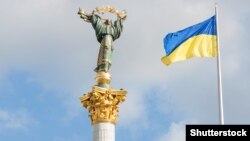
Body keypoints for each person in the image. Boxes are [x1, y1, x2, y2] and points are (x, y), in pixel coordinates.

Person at [78, 8, 126, 72]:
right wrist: (94, 15)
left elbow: (118, 25)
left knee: (108, 51)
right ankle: (102, 66)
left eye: (110, 20)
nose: (108, 20)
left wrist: (119, 17)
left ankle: (105, 66)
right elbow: (96, 21)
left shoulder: (113, 29)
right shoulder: (102, 27)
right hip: (105, 40)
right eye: (107, 20)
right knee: (104, 50)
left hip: (109, 41)